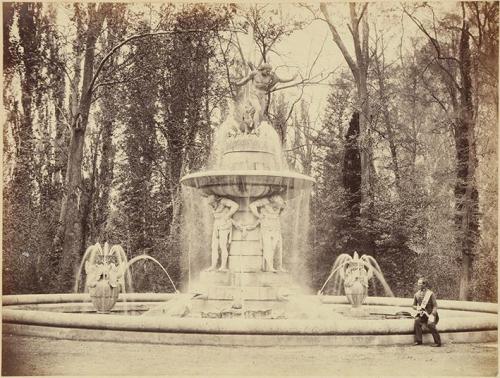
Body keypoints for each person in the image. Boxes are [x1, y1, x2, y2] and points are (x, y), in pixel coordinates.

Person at [235, 62, 297, 129]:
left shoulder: (271, 76)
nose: (268, 72)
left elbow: (281, 80)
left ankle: (252, 126)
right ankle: (255, 129)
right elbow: (246, 80)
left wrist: (291, 79)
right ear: (262, 69)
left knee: (261, 115)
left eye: (269, 71)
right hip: (253, 95)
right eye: (267, 71)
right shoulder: (255, 73)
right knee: (258, 109)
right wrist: (238, 83)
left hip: (262, 96)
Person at [249, 194, 286, 272]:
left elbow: (282, 209)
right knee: (268, 246)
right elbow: (252, 205)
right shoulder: (265, 201)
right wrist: (258, 216)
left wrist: (278, 216)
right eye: (276, 205)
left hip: (276, 227)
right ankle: (270, 266)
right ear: (272, 201)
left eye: (278, 206)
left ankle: (279, 266)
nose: (277, 207)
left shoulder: (281, 203)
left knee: (277, 247)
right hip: (266, 227)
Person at [206, 195, 239, 271]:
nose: (212, 205)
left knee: (222, 246)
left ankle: (223, 266)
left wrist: (228, 215)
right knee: (214, 246)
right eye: (210, 204)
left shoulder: (223, 201)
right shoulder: (213, 205)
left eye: (212, 203)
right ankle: (213, 265)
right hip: (216, 225)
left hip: (224, 224)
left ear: (216, 200)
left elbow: (236, 205)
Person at [413, 277, 441, 347]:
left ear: (424, 284)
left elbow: (435, 306)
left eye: (420, 283)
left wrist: (432, 314)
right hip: (422, 315)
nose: (418, 285)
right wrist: (417, 308)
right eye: (418, 283)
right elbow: (413, 305)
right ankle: (419, 340)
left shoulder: (430, 294)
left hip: (431, 314)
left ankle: (437, 342)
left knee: (430, 324)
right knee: (417, 321)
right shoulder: (416, 294)